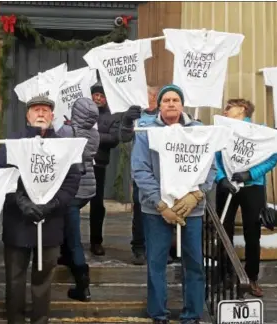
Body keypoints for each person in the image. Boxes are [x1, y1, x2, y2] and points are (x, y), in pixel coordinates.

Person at [0, 95, 81, 324]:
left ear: (52, 116)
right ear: (27, 115)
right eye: (36, 110)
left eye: (45, 110)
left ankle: (40, 320)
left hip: (50, 224)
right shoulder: (13, 143)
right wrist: (21, 202)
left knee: (43, 281)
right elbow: (0, 175)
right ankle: (16, 320)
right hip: (18, 222)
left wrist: (53, 204)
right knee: (15, 279)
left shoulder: (64, 146)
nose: (41, 113)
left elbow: (72, 181)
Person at [132, 84, 216, 324]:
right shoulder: (145, 131)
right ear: (159, 105)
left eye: (175, 100)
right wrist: (161, 205)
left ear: (182, 105)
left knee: (194, 264)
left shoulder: (199, 131)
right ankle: (158, 314)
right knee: (156, 263)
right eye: (166, 99)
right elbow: (140, 170)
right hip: (155, 210)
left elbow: (210, 167)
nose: (171, 103)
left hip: (192, 209)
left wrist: (196, 195)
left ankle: (192, 315)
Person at [215, 99, 277, 298]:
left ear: (242, 109)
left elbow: (272, 158)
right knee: (223, 230)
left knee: (253, 233)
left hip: (253, 186)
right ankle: (224, 274)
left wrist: (250, 174)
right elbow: (214, 157)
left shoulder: (260, 130)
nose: (224, 110)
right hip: (227, 185)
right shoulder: (221, 130)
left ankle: (252, 277)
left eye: (228, 107)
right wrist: (221, 178)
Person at [89, 82, 141, 256]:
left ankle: (96, 241)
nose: (98, 98)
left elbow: (113, 139)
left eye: (101, 95)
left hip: (99, 164)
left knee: (97, 204)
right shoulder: (82, 113)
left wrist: (91, 135)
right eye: (95, 95)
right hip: (78, 163)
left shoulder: (112, 116)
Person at [56, 97, 100, 302]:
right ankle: (65, 256)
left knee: (74, 238)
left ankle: (83, 285)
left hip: (71, 187)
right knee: (68, 223)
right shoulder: (94, 132)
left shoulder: (66, 131)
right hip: (88, 186)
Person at [129, 85, 160, 265]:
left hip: (161, 170)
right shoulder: (136, 116)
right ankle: (139, 247)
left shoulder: (162, 117)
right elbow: (124, 137)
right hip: (141, 168)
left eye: (152, 97)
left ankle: (155, 247)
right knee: (140, 210)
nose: (149, 100)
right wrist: (127, 123)